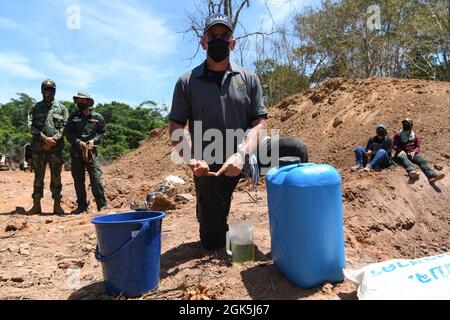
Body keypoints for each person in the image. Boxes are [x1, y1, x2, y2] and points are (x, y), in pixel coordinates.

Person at [168, 14, 308, 250]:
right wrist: (192, 160)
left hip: (247, 154)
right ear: (203, 42)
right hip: (210, 163)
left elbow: (260, 124)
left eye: (224, 36)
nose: (219, 40)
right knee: (212, 242)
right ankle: (214, 220)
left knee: (295, 150)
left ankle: (297, 223)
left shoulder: (249, 78)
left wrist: (241, 154)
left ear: (233, 42)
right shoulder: (186, 82)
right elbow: (175, 128)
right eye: (213, 36)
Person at [27, 79, 68, 214]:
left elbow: (65, 127)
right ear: (41, 90)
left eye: (51, 89)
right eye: (46, 89)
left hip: (56, 149)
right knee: (38, 176)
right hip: (39, 149)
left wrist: (54, 140)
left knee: (56, 176)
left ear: (55, 91)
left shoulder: (62, 109)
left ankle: (57, 205)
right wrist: (44, 139)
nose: (48, 92)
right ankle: (36, 205)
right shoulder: (35, 107)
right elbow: (30, 126)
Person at [64, 92, 108, 214]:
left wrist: (94, 140)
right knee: (78, 180)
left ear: (88, 102)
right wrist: (78, 142)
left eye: (82, 101)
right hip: (76, 152)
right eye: (78, 101)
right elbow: (68, 133)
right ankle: (82, 207)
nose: (79, 103)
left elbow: (103, 133)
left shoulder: (98, 117)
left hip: (92, 153)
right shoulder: (73, 117)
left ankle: (102, 206)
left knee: (96, 179)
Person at [393, 118, 445, 182]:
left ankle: (433, 175)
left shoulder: (414, 136)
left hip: (411, 153)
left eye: (407, 123)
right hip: (402, 153)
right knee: (402, 157)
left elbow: (417, 147)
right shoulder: (398, 135)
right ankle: (412, 171)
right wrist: (400, 150)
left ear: (411, 125)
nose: (405, 125)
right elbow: (394, 145)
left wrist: (414, 152)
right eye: (404, 123)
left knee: (422, 161)